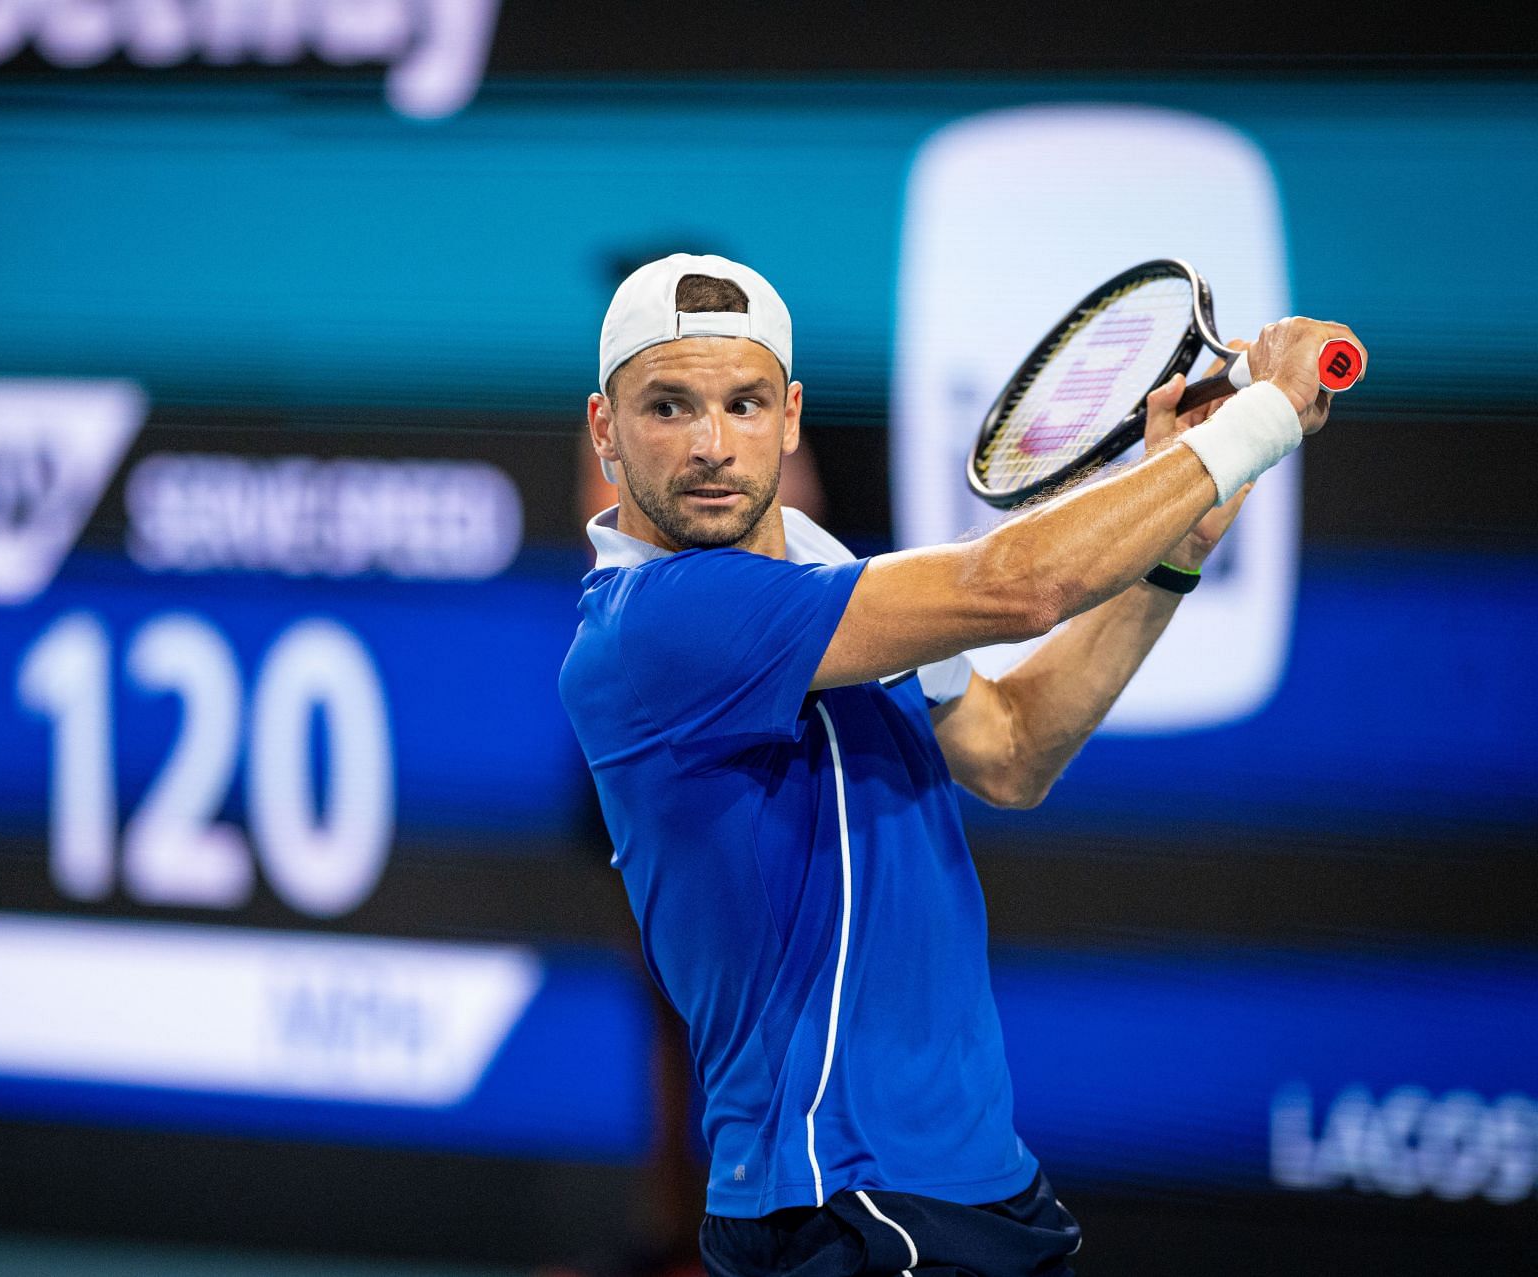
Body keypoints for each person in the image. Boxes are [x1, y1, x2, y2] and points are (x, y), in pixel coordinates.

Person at [557, 254, 1361, 1277]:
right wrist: (1268, 415)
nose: (712, 444)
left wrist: (1177, 548)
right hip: (845, 1204)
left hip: (976, 1186)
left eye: (743, 402)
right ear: (604, 430)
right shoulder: (651, 628)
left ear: (791, 415)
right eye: (667, 407)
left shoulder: (828, 580)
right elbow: (1019, 586)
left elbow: (1014, 747)